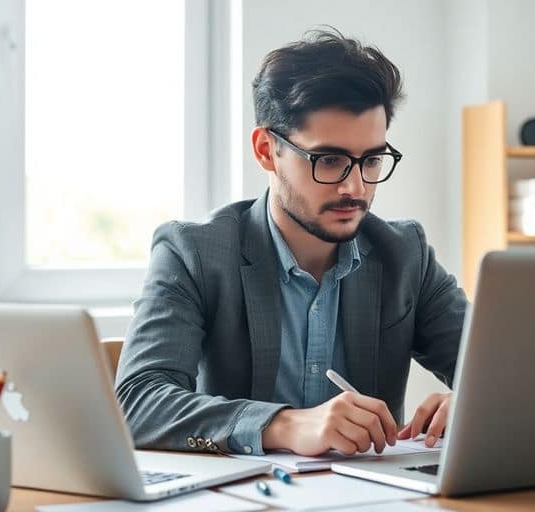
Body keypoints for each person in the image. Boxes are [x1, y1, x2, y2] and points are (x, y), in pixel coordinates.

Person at [115, 28, 468, 457]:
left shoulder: (404, 253)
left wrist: (479, 402)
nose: (355, 187)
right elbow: (137, 403)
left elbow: (510, 370)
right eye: (330, 160)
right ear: (266, 150)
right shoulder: (193, 253)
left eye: (372, 160)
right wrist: (283, 426)